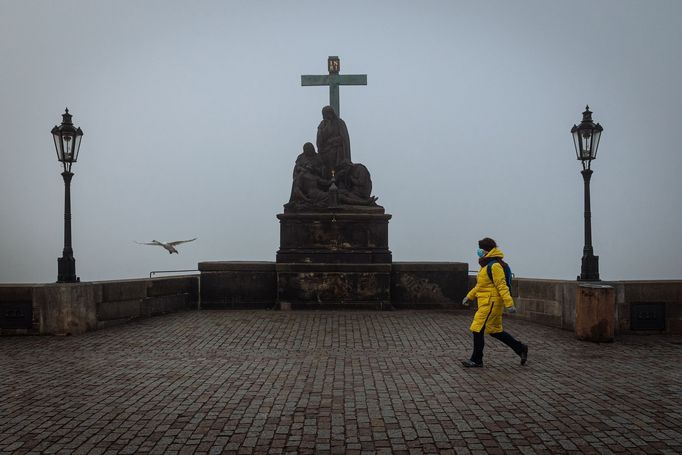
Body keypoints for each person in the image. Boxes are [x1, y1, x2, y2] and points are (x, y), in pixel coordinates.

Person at [461, 237, 528, 367]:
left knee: (477, 328)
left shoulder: (495, 266)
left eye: (480, 248)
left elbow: (501, 285)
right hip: (487, 302)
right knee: (494, 330)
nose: (478, 251)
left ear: (486, 250)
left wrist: (509, 304)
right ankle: (520, 348)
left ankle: (476, 359)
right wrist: (469, 296)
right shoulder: (486, 265)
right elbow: (480, 286)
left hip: (491, 302)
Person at [316, 105, 351, 178]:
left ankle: (339, 179)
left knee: (337, 165)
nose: (327, 115)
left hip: (337, 150)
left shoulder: (339, 122)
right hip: (325, 151)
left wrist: (333, 140)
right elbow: (319, 139)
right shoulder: (322, 125)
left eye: (329, 113)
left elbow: (344, 138)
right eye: (325, 114)